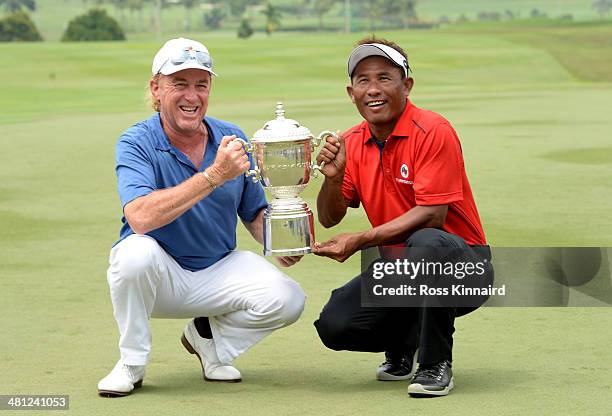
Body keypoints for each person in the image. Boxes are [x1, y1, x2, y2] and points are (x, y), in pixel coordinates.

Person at [97, 38, 306, 397]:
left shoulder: (231, 136)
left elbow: (254, 211)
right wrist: (213, 176)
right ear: (156, 89)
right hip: (158, 278)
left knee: (289, 299)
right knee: (134, 254)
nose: (192, 96)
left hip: (217, 272)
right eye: (179, 84)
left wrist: (280, 237)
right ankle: (132, 362)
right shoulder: (135, 141)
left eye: (201, 85)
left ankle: (208, 338)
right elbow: (140, 217)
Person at [312, 37, 491, 397]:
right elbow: (329, 218)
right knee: (335, 325)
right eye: (363, 80)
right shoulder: (350, 140)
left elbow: (432, 216)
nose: (373, 89)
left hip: (463, 266)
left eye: (384, 78)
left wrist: (361, 239)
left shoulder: (433, 130)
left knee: (426, 243)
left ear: (406, 85)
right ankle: (404, 345)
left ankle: (435, 363)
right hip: (403, 269)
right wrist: (332, 179)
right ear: (351, 92)